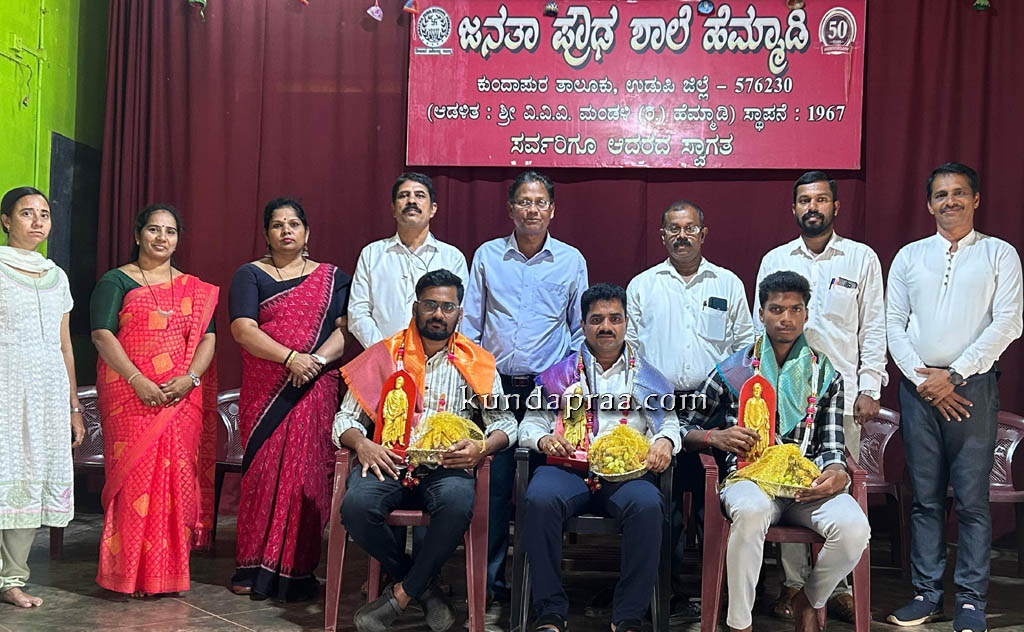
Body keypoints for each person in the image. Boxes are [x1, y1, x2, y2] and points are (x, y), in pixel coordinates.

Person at [681, 271, 870, 632]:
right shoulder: (733, 370)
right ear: (762, 314)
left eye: (795, 309)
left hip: (805, 486)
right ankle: (740, 624)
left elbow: (832, 445)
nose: (786, 318)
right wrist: (715, 437)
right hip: (748, 480)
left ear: (806, 314)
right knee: (751, 511)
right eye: (777, 309)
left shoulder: (825, 374)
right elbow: (684, 427)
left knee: (855, 527)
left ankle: (808, 599)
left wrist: (836, 472)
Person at [334, 269, 517, 632]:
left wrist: (481, 447)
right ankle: (424, 590)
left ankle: (401, 594)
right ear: (415, 308)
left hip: (446, 467)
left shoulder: (477, 362)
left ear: (459, 313)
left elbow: (505, 422)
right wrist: (363, 444)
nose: (438, 314)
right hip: (389, 462)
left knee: (457, 502)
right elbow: (344, 419)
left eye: (447, 307)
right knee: (356, 507)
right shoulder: (384, 354)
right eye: (430, 305)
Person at [885, 163, 1022, 632]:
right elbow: (893, 324)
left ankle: (970, 601)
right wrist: (925, 380)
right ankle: (926, 595)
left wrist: (956, 374)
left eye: (959, 193)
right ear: (929, 204)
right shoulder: (910, 256)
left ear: (976, 199)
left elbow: (1009, 321)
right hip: (918, 389)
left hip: (972, 388)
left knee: (971, 502)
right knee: (924, 500)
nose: (950, 201)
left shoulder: (999, 254)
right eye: (941, 195)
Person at [752, 171, 887, 622]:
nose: (813, 207)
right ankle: (793, 584)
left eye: (821, 199)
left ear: (835, 206)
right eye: (805, 200)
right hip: (783, 396)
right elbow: (759, 327)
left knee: (832, 488)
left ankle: (834, 589)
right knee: (785, 484)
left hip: (839, 395)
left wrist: (870, 387)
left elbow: (874, 326)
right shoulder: (775, 259)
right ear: (794, 208)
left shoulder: (861, 258)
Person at [462, 170, 588, 618]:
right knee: (493, 490)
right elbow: (471, 325)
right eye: (524, 202)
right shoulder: (487, 256)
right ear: (510, 208)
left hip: (546, 391)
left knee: (540, 494)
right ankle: (490, 584)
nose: (531, 210)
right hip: (494, 387)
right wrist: (478, 385)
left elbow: (579, 332)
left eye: (540, 203)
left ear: (552, 210)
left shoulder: (571, 260)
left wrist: (565, 387)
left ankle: (536, 588)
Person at [519, 283, 680, 632]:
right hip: (568, 469)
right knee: (539, 498)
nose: (606, 326)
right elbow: (529, 425)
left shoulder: (648, 377)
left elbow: (669, 423)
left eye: (614, 319)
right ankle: (550, 612)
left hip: (627, 474)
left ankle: (628, 617)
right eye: (597, 320)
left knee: (648, 505)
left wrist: (665, 442)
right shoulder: (559, 374)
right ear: (583, 324)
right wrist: (544, 439)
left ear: (626, 323)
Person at [625, 199, 753, 620]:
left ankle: (718, 595)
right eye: (674, 229)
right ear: (662, 235)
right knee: (664, 506)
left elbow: (744, 348)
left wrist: (729, 401)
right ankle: (666, 595)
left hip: (714, 404)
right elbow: (632, 351)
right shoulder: (643, 285)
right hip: (658, 405)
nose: (682, 236)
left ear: (703, 233)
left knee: (712, 505)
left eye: (690, 228)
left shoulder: (727, 284)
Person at [91, 204, 219, 596]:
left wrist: (191, 378)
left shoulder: (194, 289)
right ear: (137, 235)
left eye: (170, 231)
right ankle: (129, 575)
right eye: (153, 229)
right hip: (130, 397)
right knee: (135, 482)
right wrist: (137, 380)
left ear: (178, 239)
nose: (162, 238)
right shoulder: (117, 280)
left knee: (175, 483)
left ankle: (167, 574)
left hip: (180, 400)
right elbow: (102, 334)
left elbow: (208, 338)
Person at [228, 198, 351, 601]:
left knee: (306, 478)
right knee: (263, 477)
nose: (286, 231)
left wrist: (314, 361)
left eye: (294, 224)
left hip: (315, 388)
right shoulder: (250, 275)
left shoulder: (331, 278)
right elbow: (243, 329)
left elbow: (343, 332)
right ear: (266, 234)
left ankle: (297, 572)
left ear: (307, 232)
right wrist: (289, 359)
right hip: (267, 392)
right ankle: (251, 567)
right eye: (278, 225)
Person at [0, 187, 84, 608]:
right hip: (6, 386)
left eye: (44, 214)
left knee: (30, 476)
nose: (37, 221)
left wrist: (74, 406)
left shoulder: (57, 276)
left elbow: (65, 346)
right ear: (5, 221)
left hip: (47, 393)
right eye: (26, 213)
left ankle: (11, 580)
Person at [348, 172, 468, 349]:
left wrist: (432, 352)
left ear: (433, 209)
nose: (411, 201)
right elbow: (358, 312)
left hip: (436, 358)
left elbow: (457, 313)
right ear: (393, 209)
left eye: (420, 195)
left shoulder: (452, 257)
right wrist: (384, 351)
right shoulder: (372, 254)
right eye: (404, 195)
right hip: (383, 356)